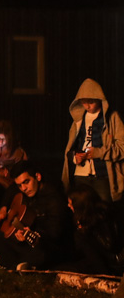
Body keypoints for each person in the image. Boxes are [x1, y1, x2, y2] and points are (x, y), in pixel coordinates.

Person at [0, 161, 74, 272]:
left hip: (46, 245)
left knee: (41, 255)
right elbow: (12, 189)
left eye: (26, 182)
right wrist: (3, 208)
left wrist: (32, 233)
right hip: (26, 242)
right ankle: (17, 262)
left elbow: (55, 233)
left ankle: (9, 261)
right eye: (20, 185)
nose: (24, 188)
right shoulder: (25, 189)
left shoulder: (54, 198)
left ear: (38, 176)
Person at [61, 78, 124, 207]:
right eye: (84, 102)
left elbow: (122, 148)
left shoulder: (111, 118)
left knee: (104, 211)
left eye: (91, 102)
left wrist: (99, 152)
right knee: (81, 210)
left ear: (99, 100)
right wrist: (75, 157)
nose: (88, 106)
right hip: (81, 174)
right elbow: (71, 147)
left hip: (103, 174)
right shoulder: (78, 120)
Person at [67, 184, 122, 275]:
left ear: (79, 205)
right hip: (105, 261)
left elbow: (108, 246)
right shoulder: (97, 212)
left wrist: (83, 230)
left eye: (71, 203)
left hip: (111, 265)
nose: (68, 205)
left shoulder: (99, 220)